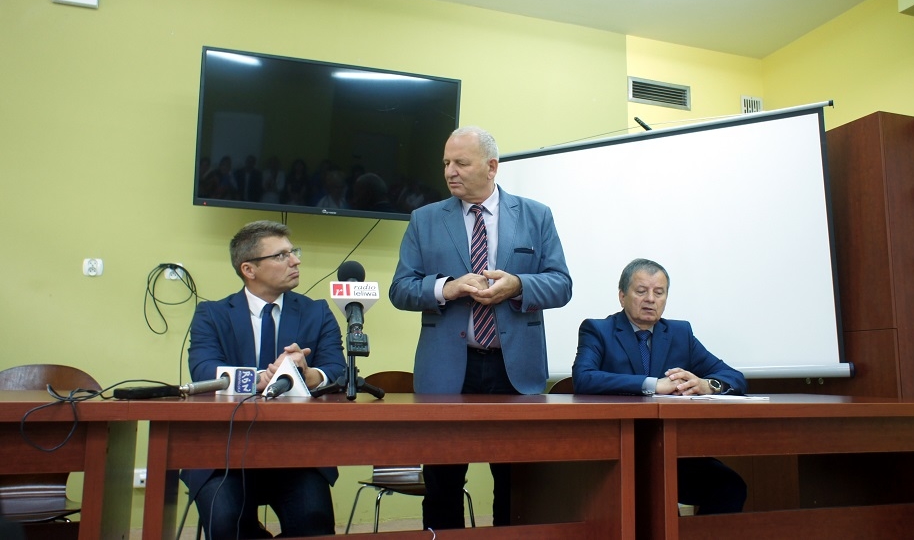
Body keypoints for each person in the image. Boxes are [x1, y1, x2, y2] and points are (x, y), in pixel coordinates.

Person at [389, 125, 573, 529]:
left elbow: (561, 284)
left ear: (491, 167)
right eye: (445, 163)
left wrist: (518, 285)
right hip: (447, 370)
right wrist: (447, 288)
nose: (449, 172)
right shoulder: (424, 219)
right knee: (443, 483)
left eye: (461, 163)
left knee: (515, 481)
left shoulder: (535, 215)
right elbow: (400, 290)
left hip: (514, 370)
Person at [183, 220, 346, 538]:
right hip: (223, 452)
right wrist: (260, 379)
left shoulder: (317, 312)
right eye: (282, 255)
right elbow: (203, 371)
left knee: (313, 522)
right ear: (249, 269)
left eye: (294, 252)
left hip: (296, 452)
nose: (295, 261)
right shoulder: (211, 314)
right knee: (226, 523)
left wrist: (308, 375)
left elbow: (338, 371)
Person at [573, 258, 748, 515]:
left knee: (730, 486)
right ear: (622, 296)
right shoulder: (598, 330)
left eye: (659, 292)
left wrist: (707, 384)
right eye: (641, 291)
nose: (650, 300)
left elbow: (734, 377)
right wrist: (654, 385)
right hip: (618, 450)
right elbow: (584, 378)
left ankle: (703, 533)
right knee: (656, 502)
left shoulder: (679, 333)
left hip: (672, 450)